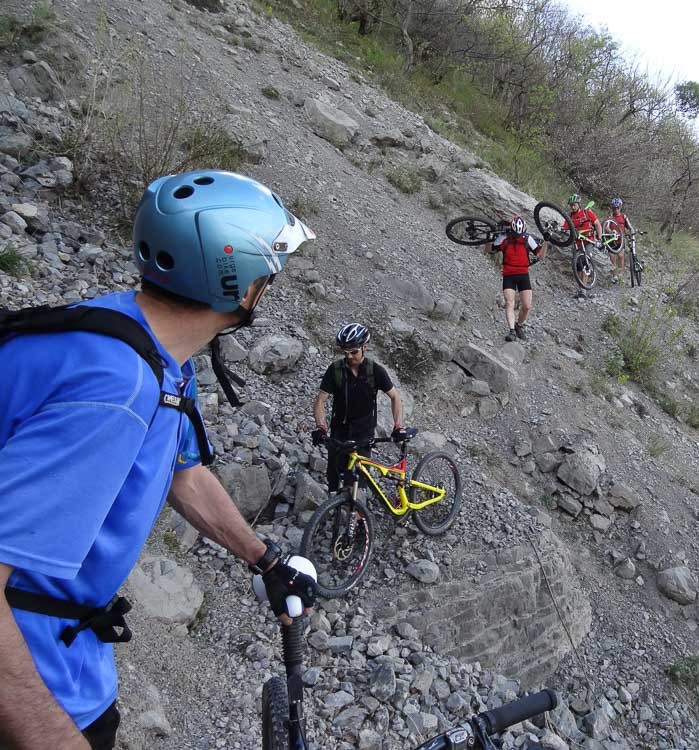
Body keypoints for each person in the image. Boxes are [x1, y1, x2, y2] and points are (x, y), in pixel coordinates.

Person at [0, 170, 319, 749]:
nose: (269, 284)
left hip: (71, 656)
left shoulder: (142, 343)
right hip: (32, 673)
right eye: (269, 269)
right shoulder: (116, 392)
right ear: (237, 280)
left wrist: (264, 558)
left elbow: (182, 471)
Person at [311, 323, 406, 492]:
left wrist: (398, 426)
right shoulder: (335, 371)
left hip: (363, 435)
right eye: (344, 352)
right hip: (339, 433)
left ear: (365, 348)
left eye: (353, 352)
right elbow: (320, 401)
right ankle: (335, 511)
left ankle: (358, 516)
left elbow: (395, 397)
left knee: (355, 484)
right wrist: (321, 427)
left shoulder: (375, 371)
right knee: (333, 480)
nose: (349, 357)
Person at [487, 214, 547, 341]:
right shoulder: (504, 238)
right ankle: (512, 331)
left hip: (523, 274)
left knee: (527, 306)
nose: (517, 237)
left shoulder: (527, 238)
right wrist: (489, 238)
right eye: (515, 234)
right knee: (510, 303)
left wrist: (546, 241)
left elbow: (541, 256)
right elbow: (489, 250)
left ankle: (519, 326)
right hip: (508, 274)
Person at [607, 197, 635, 284]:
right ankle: (614, 275)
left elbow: (629, 226)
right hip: (612, 239)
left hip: (621, 240)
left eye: (617, 208)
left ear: (620, 207)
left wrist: (632, 231)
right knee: (612, 258)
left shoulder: (624, 216)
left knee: (621, 256)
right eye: (614, 208)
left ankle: (620, 275)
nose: (616, 210)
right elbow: (606, 226)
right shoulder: (610, 217)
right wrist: (611, 232)